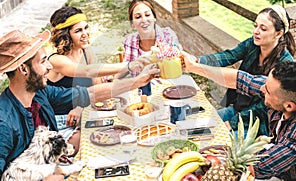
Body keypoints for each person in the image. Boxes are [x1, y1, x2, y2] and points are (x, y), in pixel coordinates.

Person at [0, 29, 159, 177]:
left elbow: (88, 93)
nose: (49, 66)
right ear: (23, 70)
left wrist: (137, 82)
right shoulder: (4, 123)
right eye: (43, 62)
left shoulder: (40, 93)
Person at [183, 52, 296, 180]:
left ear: (289, 106)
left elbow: (260, 167)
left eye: (267, 91)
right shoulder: (280, 92)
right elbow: (242, 80)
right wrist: (193, 67)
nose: (262, 89)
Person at [47, 6, 151, 148]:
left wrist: (80, 107)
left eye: (86, 28)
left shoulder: (86, 52)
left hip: (85, 112)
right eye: (78, 31)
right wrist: (129, 65)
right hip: (61, 121)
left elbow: (95, 87)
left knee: (120, 130)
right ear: (65, 35)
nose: (85, 34)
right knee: (85, 143)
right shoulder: (56, 61)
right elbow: (88, 71)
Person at [198, 5, 295, 136]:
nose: (256, 31)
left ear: (278, 33)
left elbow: (264, 108)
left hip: (256, 123)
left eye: (263, 28)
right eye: (255, 26)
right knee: (199, 127)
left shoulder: (284, 64)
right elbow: (230, 56)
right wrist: (199, 61)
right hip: (236, 109)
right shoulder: (252, 44)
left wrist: (231, 123)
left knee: (216, 139)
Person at [116, 0, 182, 95]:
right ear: (132, 23)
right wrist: (114, 80)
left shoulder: (168, 35)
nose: (144, 20)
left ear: (154, 18)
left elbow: (180, 62)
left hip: (169, 92)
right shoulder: (129, 41)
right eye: (138, 17)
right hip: (141, 94)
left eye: (147, 15)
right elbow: (127, 66)